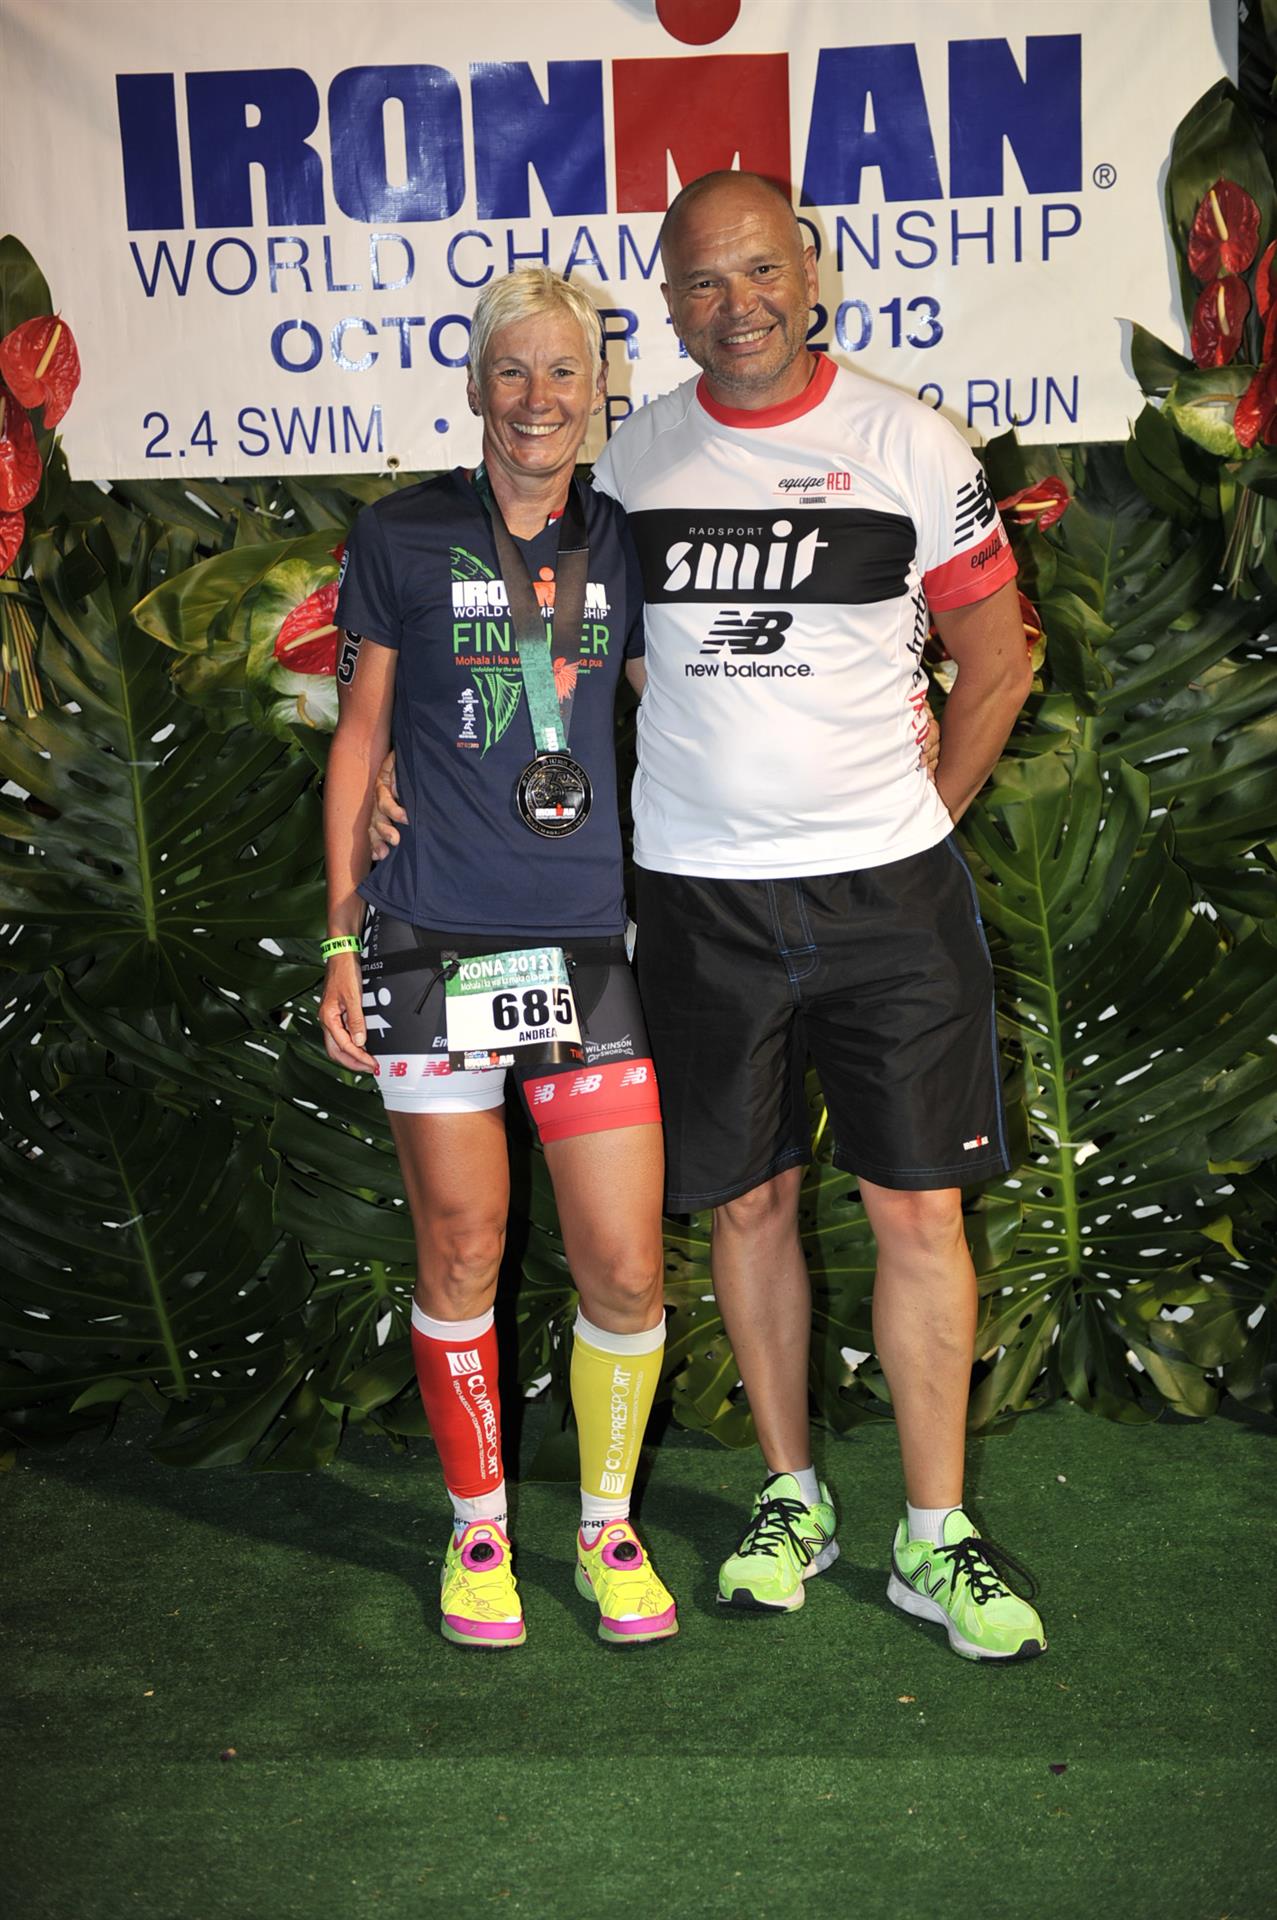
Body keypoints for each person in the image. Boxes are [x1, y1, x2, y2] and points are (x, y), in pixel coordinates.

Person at [374, 171, 1045, 1664]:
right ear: (666, 309)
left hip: (888, 892)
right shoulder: (632, 465)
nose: (735, 305)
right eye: (699, 282)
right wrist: (404, 772)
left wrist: (920, 819)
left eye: (759, 271)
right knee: (745, 1205)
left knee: (918, 1210)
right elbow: (550, 649)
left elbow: (996, 660)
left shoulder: (909, 442)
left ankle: (934, 1534)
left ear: (809, 273)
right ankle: (791, 1497)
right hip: (692, 895)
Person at [320, 267, 678, 1651]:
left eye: (564, 371)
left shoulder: (622, 543)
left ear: (599, 394)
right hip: (429, 938)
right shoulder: (402, 533)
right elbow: (360, 733)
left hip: (584, 945)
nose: (538, 398)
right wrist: (340, 928)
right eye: (512, 371)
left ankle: (605, 1528)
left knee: (624, 1267)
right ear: (475, 389)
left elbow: (678, 707)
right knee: (463, 1246)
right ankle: (478, 1530)